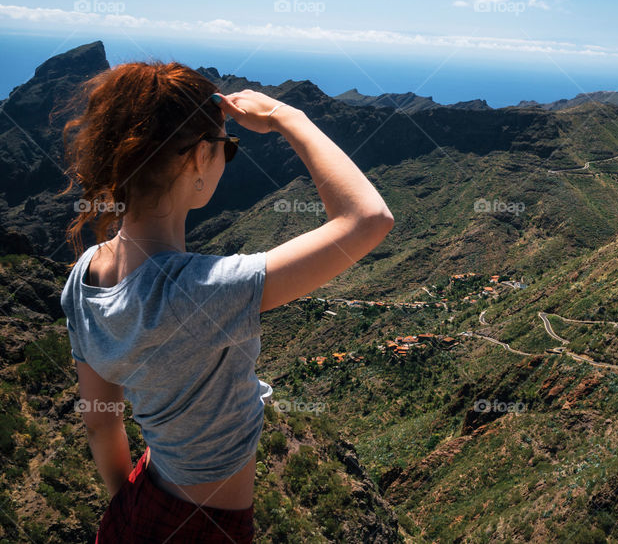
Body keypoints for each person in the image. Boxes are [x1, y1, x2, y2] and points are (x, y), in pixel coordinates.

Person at [57, 60, 394, 542]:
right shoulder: (204, 290)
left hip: (137, 504)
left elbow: (100, 423)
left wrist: (126, 507)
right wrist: (286, 116)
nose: (225, 157)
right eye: (226, 148)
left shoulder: (84, 275)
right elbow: (368, 218)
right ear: (197, 158)